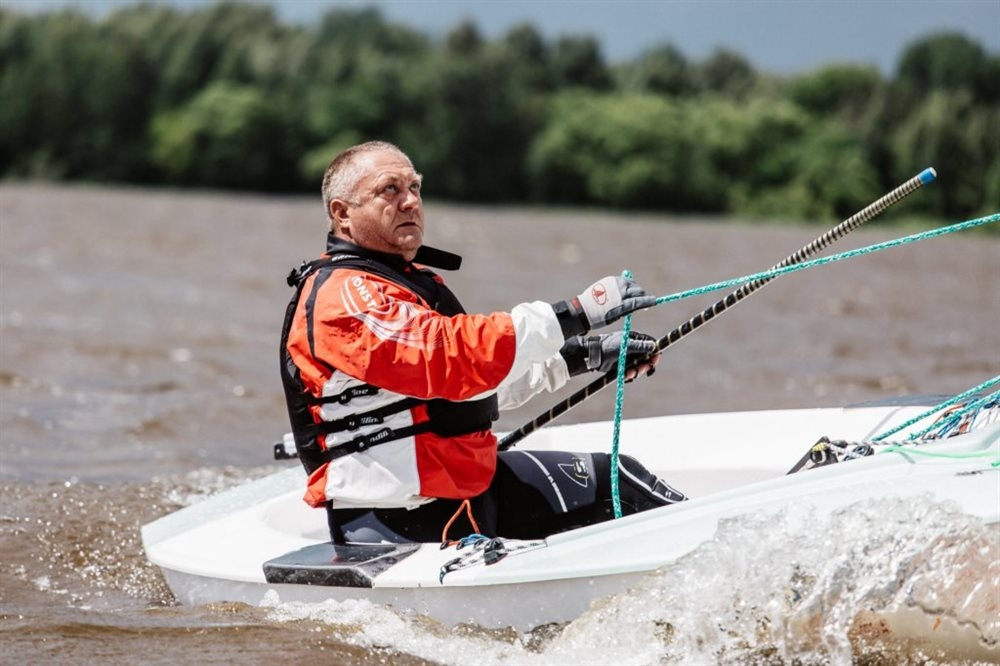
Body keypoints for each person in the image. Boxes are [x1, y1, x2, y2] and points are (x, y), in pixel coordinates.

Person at [280, 140, 687, 545]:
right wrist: (576, 313)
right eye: (390, 189)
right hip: (401, 514)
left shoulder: (404, 284)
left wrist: (579, 357)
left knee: (621, 482)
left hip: (469, 485)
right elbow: (448, 357)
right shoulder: (344, 296)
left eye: (415, 187)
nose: (410, 202)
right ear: (342, 213)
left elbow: (466, 390)